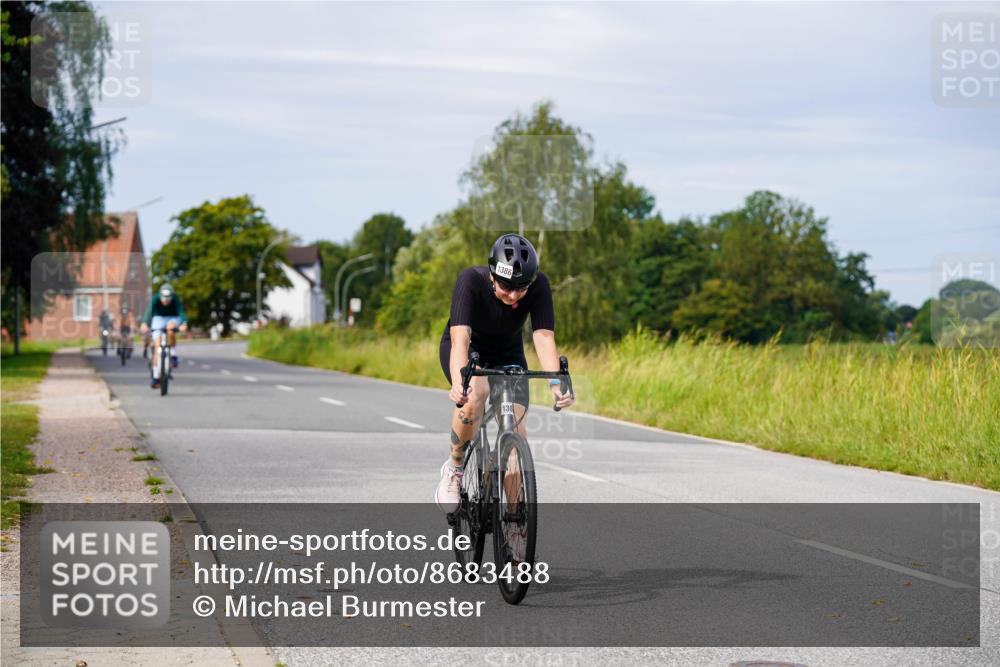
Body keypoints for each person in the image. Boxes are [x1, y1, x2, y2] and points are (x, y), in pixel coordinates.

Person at [435, 233, 574, 512]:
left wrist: (556, 383)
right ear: (491, 274)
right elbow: (460, 338)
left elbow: (544, 337)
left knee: (516, 438)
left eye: (521, 289)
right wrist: (461, 381)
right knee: (477, 394)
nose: (513, 295)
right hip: (469, 350)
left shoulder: (540, 285)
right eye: (505, 287)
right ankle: (454, 468)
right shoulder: (470, 281)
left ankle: (514, 531)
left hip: (508, 355)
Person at [140, 284, 188, 389]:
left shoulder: (175, 300)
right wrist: (144, 323)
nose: (166, 300)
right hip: (158, 318)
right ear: (160, 295)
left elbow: (181, 312)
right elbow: (149, 312)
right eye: (164, 298)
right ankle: (156, 376)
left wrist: (184, 323)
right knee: (157, 347)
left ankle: (173, 354)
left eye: (168, 298)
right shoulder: (155, 299)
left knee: (170, 329)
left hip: (172, 318)